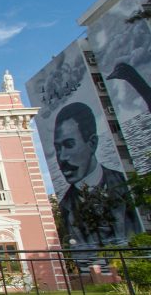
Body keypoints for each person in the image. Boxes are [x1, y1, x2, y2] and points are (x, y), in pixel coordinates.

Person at [53, 102, 141, 251]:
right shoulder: (65, 205)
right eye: (57, 148)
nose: (62, 156)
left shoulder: (127, 188)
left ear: (92, 143)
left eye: (69, 144)